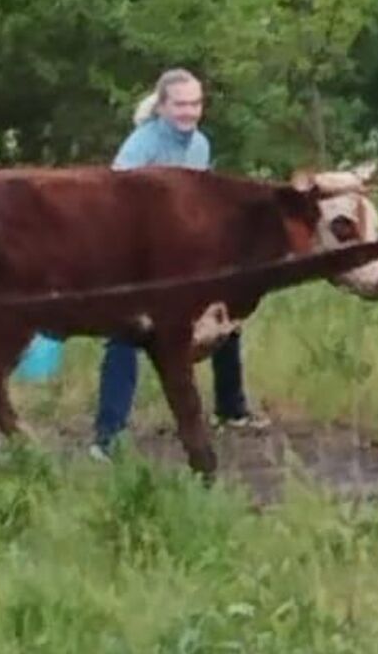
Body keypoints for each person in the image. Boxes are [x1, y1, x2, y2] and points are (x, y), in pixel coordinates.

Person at [90, 68, 268, 460]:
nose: (189, 112)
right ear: (163, 106)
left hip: (182, 253)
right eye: (181, 104)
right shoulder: (142, 145)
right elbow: (114, 201)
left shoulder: (200, 144)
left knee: (226, 312)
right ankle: (107, 437)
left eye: (196, 103)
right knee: (127, 336)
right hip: (135, 256)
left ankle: (231, 408)